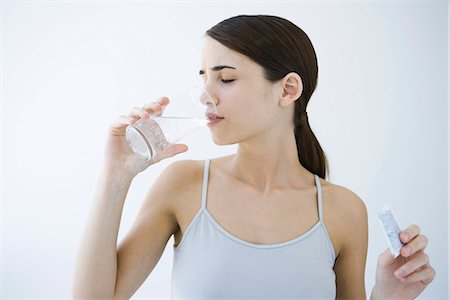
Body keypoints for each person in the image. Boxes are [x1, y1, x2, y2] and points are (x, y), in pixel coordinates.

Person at [73, 15, 435, 299]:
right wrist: (114, 177)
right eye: (204, 79)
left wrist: (388, 296)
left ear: (288, 89)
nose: (205, 95)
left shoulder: (344, 211)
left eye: (226, 79)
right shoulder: (182, 186)